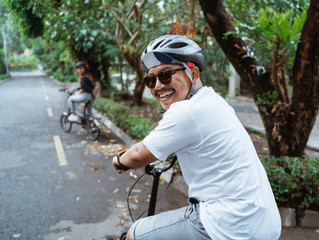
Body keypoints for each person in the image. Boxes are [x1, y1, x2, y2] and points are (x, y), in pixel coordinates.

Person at [112, 35, 281, 240]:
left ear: (192, 72)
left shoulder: (186, 111)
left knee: (134, 234)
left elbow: (138, 155)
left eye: (165, 75)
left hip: (229, 223)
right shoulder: (213, 99)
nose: (157, 86)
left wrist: (119, 160)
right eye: (150, 80)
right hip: (264, 223)